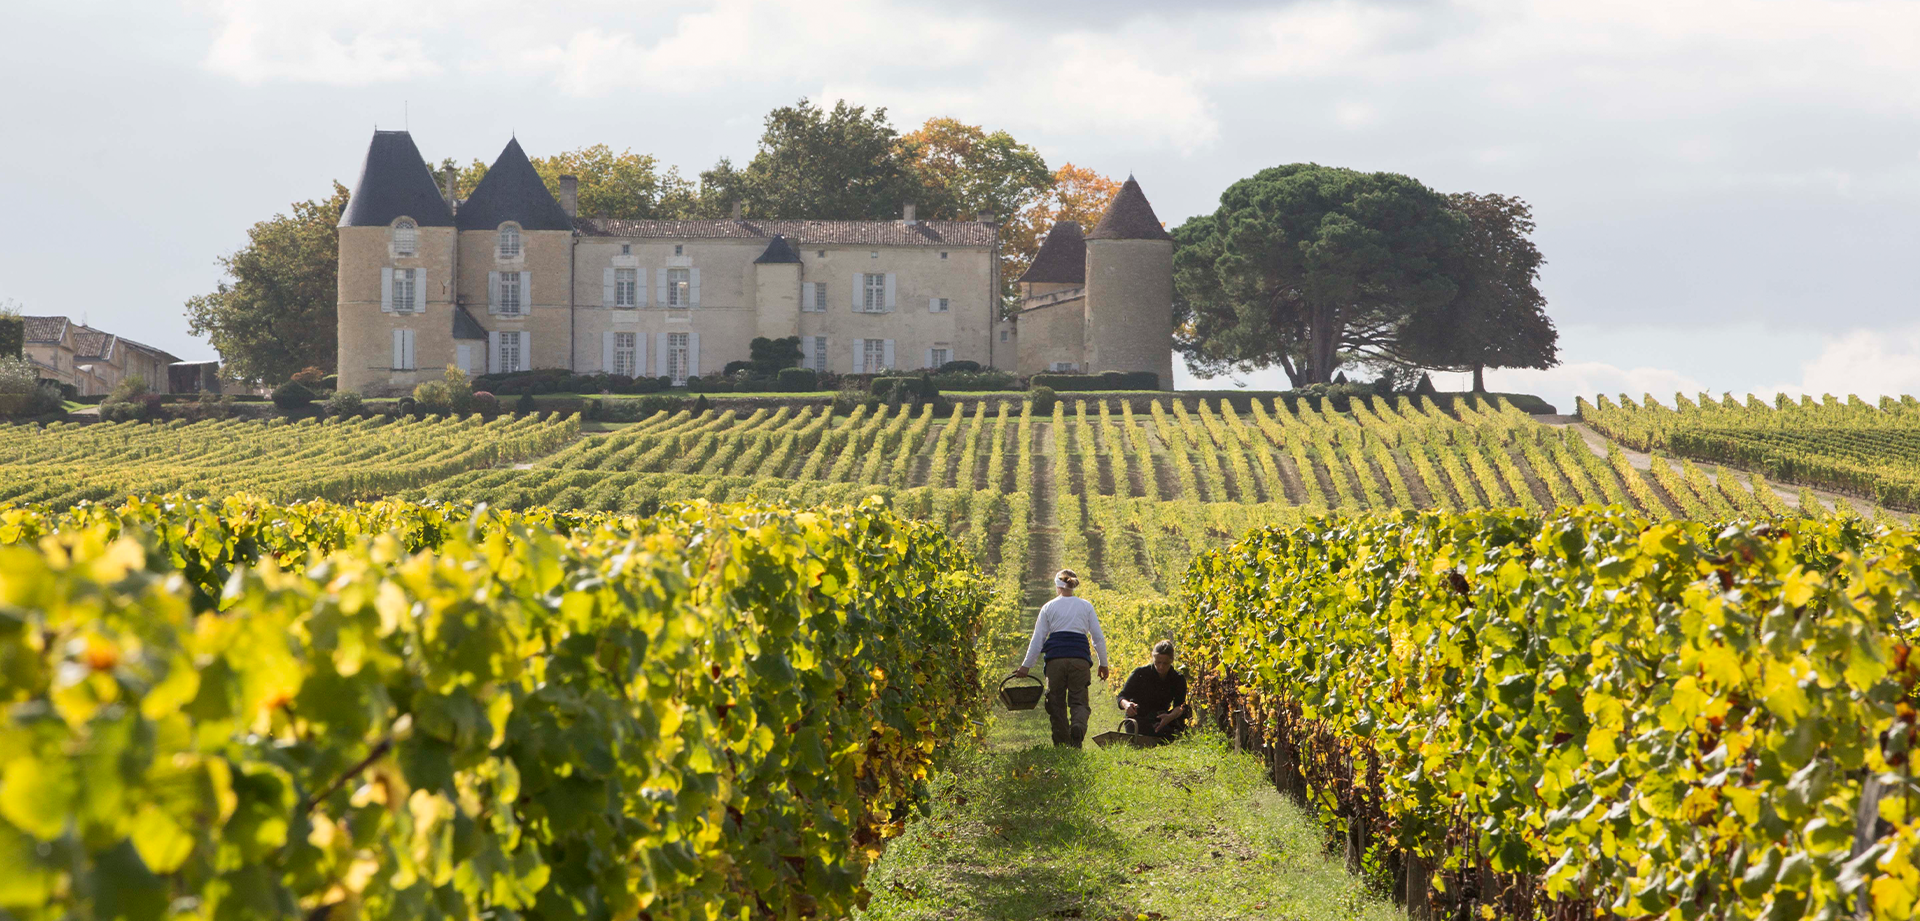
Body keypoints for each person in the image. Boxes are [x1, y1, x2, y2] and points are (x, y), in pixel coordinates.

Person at [1014, 569, 1110, 747]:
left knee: (1056, 702)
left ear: (1057, 586)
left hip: (1055, 661)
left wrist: (1026, 666)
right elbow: (1098, 638)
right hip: (1079, 659)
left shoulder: (1049, 607)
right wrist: (1103, 664)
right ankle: (1078, 727)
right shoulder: (1085, 606)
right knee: (1079, 700)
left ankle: (1062, 743)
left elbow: (1038, 639)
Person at [1117, 640, 1189, 739]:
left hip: (1161, 718)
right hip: (1139, 719)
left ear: (1172, 661)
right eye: (1158, 662)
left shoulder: (1178, 679)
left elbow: (1179, 705)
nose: (1161, 667)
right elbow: (1122, 696)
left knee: (1179, 722)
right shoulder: (1140, 673)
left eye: (1165, 663)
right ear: (1153, 659)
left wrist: (1169, 717)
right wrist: (1127, 705)